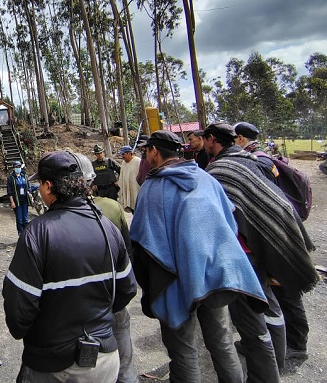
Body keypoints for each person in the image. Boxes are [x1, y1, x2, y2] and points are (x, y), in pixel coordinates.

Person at [131, 130, 268, 383]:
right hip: (213, 277)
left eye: (146, 150)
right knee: (222, 344)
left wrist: (150, 288)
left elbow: (142, 242)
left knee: (184, 351)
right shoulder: (206, 179)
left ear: (154, 151)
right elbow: (231, 224)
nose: (146, 155)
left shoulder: (152, 188)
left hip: (175, 283)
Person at [3, 150, 137, 383]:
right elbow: (126, 289)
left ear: (47, 186)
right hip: (104, 361)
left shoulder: (36, 233)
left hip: (51, 364)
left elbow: (19, 312)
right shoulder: (107, 226)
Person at [203, 122, 318, 381]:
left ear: (213, 139)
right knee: (273, 303)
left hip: (250, 249)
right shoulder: (251, 160)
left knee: (259, 310)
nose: (204, 144)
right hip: (272, 236)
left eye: (205, 139)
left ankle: (276, 363)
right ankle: (278, 359)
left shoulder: (221, 169)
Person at [71, 151, 139, 383]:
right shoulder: (112, 208)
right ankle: (127, 377)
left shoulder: (59, 218)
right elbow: (128, 251)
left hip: (85, 301)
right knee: (121, 335)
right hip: (113, 291)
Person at [6, 160, 30, 236]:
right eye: (16, 167)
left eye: (19, 166)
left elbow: (29, 187)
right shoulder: (11, 178)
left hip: (25, 200)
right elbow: (9, 191)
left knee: (25, 219)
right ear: (13, 168)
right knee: (19, 219)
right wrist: (12, 202)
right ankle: (20, 234)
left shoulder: (24, 176)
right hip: (17, 201)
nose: (18, 168)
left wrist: (30, 195)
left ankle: (26, 234)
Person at [117, 146, 141, 213]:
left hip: (136, 191)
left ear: (129, 153)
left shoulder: (138, 161)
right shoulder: (123, 163)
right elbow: (122, 177)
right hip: (128, 191)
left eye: (123, 154)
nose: (122, 156)